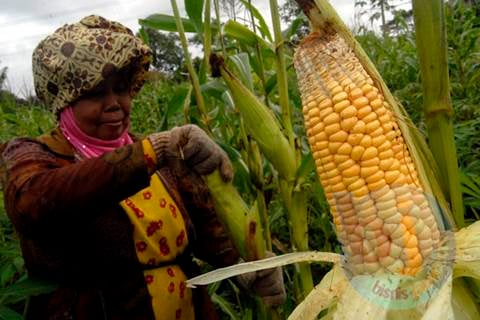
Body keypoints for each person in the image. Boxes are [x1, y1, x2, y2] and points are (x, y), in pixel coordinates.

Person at [0, 15, 285, 320]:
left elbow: (205, 230)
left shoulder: (152, 154)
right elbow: (34, 203)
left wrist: (246, 267)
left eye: (121, 89)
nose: (115, 103)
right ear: (64, 101)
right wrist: (156, 149)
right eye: (96, 93)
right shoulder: (33, 155)